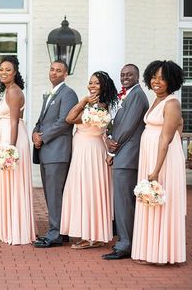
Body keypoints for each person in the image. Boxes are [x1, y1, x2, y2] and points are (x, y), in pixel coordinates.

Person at [131, 60, 186, 265]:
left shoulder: (172, 103)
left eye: (162, 78)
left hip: (163, 161)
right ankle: (149, 250)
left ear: (171, 80)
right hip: (151, 157)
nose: (157, 81)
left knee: (160, 202)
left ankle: (163, 254)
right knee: (149, 202)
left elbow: (167, 138)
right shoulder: (156, 100)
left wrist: (156, 169)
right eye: (154, 77)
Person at [60, 71, 118, 249]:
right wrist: (84, 101)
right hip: (81, 151)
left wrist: (85, 102)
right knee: (81, 191)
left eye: (96, 83)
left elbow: (70, 118)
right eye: (90, 83)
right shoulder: (90, 104)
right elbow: (69, 118)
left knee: (90, 191)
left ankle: (92, 236)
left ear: (103, 87)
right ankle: (91, 233)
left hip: (92, 152)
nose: (92, 86)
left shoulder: (101, 106)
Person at [102, 64, 149, 260]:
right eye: (122, 75)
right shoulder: (129, 95)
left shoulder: (137, 94)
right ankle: (125, 240)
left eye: (129, 74)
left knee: (124, 202)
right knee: (122, 201)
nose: (125, 77)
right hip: (124, 153)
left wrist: (113, 146)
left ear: (137, 77)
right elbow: (120, 123)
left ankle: (125, 244)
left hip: (128, 154)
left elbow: (128, 125)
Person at [32, 60, 78, 248]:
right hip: (46, 151)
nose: (54, 73)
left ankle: (55, 233)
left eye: (58, 70)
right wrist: (34, 132)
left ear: (65, 74)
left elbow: (64, 122)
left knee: (54, 194)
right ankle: (59, 231)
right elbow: (42, 120)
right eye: (52, 69)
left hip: (57, 151)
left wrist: (43, 137)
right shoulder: (50, 94)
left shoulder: (68, 94)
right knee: (51, 193)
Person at [0, 56, 36, 245]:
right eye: (1, 69)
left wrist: (9, 147)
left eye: (8, 70)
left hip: (13, 139)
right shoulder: (9, 90)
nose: (3, 73)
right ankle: (10, 227)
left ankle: (15, 230)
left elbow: (14, 121)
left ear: (15, 72)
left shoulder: (13, 91)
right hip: (9, 134)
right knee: (10, 182)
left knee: (14, 182)